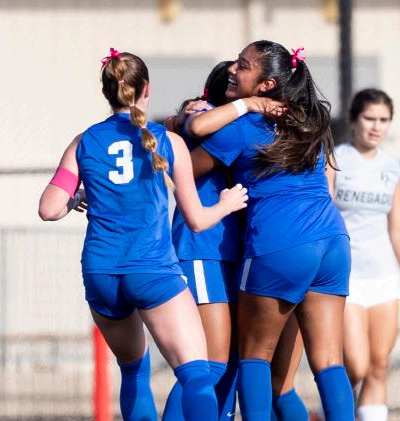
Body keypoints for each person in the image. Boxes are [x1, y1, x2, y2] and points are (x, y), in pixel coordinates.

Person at [39, 48, 248, 421]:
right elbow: (197, 220)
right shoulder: (167, 142)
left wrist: (77, 198)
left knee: (134, 370)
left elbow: (49, 208)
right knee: (197, 374)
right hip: (151, 270)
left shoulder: (84, 141)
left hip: (102, 272)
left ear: (106, 92)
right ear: (147, 89)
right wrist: (227, 204)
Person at [179, 41, 355, 420]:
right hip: (333, 241)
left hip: (280, 244)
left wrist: (177, 125)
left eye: (243, 65)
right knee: (329, 360)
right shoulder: (309, 120)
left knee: (254, 356)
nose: (233, 69)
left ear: (267, 85)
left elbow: (183, 168)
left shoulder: (242, 126)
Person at [164, 62, 308, 421]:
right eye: (234, 72)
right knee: (209, 364)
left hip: (240, 252)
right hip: (203, 248)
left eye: (242, 70)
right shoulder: (209, 115)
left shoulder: (256, 126)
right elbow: (184, 131)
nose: (237, 76)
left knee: (231, 361)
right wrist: (183, 117)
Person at [326, 88, 400, 421]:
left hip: (383, 278)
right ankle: (329, 411)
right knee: (356, 365)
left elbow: (398, 229)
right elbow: (324, 216)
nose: (376, 126)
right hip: (347, 276)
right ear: (354, 120)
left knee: (379, 366)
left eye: (383, 120)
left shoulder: (391, 167)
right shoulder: (336, 159)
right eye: (370, 118)